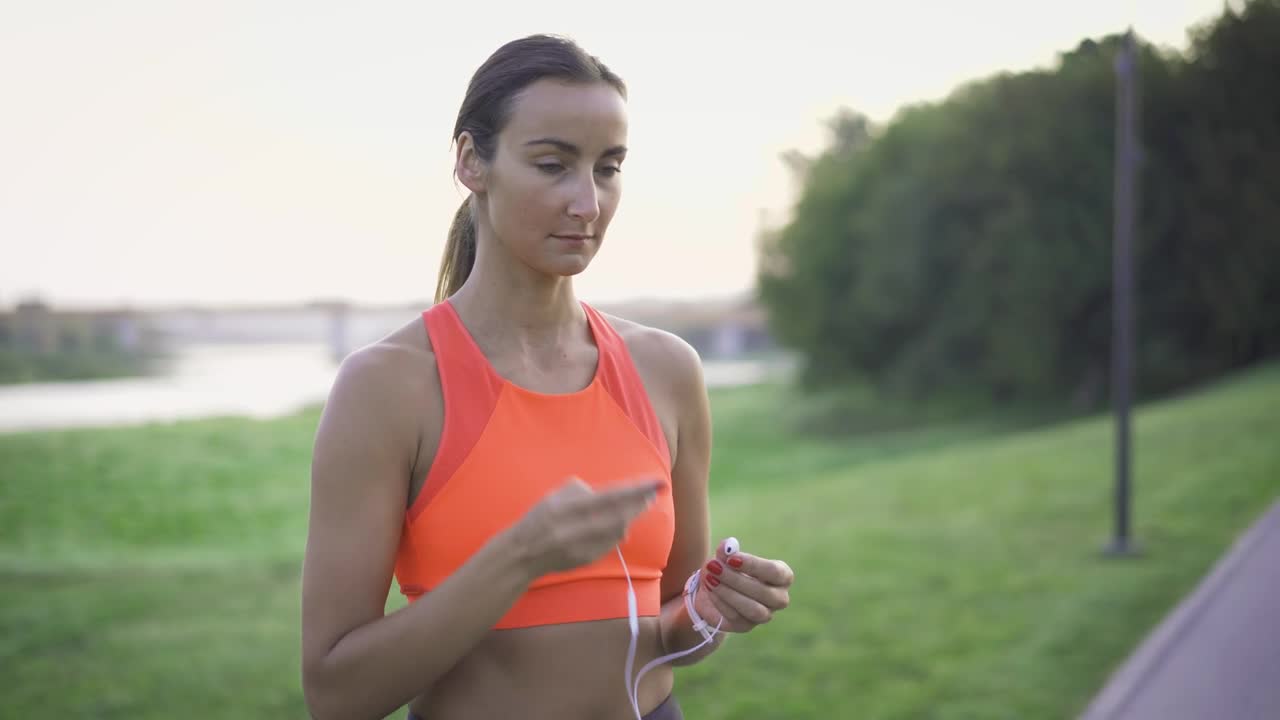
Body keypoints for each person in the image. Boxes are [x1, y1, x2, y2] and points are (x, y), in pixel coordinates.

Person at [300, 33, 795, 720]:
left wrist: (712, 610)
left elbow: (665, 632)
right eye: (553, 164)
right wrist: (519, 558)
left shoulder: (666, 370)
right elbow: (336, 694)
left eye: (608, 168)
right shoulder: (389, 388)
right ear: (474, 162)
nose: (587, 203)